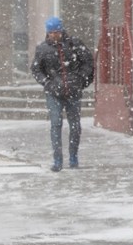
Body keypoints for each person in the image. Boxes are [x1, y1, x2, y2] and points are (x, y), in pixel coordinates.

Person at [31, 16, 95, 172]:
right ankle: (57, 160)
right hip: (53, 92)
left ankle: (73, 156)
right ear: (47, 32)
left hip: (73, 91)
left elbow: (88, 62)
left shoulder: (74, 44)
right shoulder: (42, 49)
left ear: (62, 30)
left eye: (57, 31)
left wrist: (81, 80)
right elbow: (36, 69)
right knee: (56, 124)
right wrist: (47, 83)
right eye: (51, 32)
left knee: (75, 126)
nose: (55, 35)